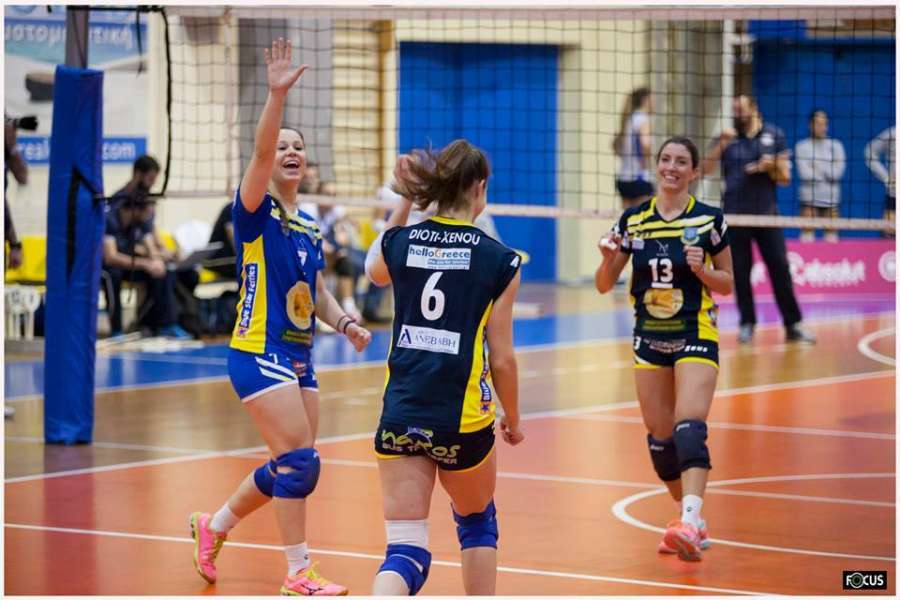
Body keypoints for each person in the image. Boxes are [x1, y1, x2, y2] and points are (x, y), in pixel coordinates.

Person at [187, 38, 372, 596]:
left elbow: (316, 293)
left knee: (291, 466)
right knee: (300, 461)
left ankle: (214, 526)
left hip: (298, 353)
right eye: (284, 146)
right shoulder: (254, 211)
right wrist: (276, 97)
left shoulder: (309, 225)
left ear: (307, 164)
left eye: (299, 147)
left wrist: (346, 324)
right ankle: (297, 572)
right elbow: (261, 155)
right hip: (256, 350)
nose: (290, 152)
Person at [364, 140, 525, 596]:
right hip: (462, 420)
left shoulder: (400, 241)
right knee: (477, 521)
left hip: (401, 411)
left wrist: (404, 200)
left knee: (405, 552)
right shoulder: (500, 259)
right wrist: (513, 417)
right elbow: (502, 358)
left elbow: (374, 270)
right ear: (479, 188)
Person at [595, 136, 733, 562]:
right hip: (648, 337)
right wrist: (606, 258)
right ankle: (691, 519)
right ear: (657, 166)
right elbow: (603, 284)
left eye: (681, 161)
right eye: (666, 159)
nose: (672, 167)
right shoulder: (633, 220)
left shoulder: (709, 219)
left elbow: (728, 283)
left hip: (694, 330)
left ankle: (689, 520)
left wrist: (703, 271)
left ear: (694, 172)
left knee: (688, 427)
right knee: (660, 441)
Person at [700, 94, 815, 344]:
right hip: (735, 216)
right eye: (734, 110)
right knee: (740, 273)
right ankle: (747, 323)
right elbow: (703, 171)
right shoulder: (727, 137)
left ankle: (793, 324)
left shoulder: (774, 134)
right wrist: (721, 143)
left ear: (754, 108)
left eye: (740, 109)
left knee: (780, 268)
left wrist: (770, 166)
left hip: (767, 216)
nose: (737, 114)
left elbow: (785, 179)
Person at [101, 195, 190, 339]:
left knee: (163, 273)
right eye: (148, 214)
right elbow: (111, 257)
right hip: (105, 266)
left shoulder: (141, 222)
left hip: (129, 263)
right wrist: (146, 263)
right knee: (113, 276)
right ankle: (116, 329)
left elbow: (152, 252)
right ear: (135, 210)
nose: (150, 218)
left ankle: (163, 324)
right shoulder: (110, 220)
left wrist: (164, 258)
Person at [795, 109, 846, 242]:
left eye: (824, 124)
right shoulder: (801, 146)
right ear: (810, 125)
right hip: (808, 199)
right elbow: (805, 175)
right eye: (818, 123)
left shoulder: (836, 146)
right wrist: (828, 167)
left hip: (831, 199)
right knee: (806, 237)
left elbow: (837, 174)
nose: (822, 127)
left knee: (832, 238)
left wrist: (816, 165)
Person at [613, 87, 654, 210]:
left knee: (627, 218)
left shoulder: (627, 119)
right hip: (639, 178)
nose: (655, 103)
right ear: (645, 100)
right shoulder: (643, 119)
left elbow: (616, 147)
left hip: (623, 179)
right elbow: (645, 144)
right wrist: (650, 165)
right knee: (644, 218)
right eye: (653, 99)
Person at [865, 126, 895, 234]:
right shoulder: (893, 133)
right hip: (894, 196)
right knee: (889, 235)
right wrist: (886, 177)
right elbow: (870, 152)